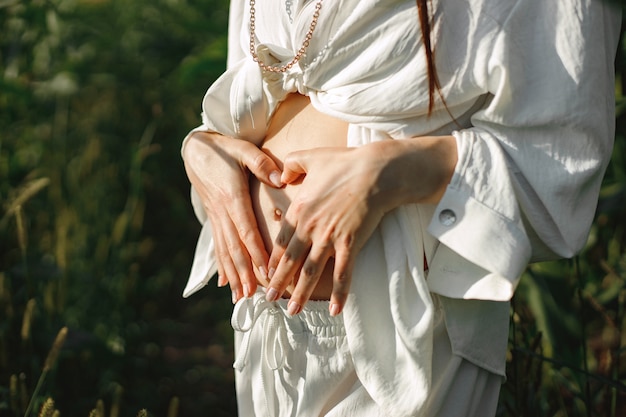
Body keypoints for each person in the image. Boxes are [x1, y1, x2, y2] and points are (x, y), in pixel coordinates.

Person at [181, 0, 621, 415]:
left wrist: (388, 173)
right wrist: (203, 146)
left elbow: (562, 152)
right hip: (262, 319)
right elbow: (258, 75)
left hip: (406, 332)